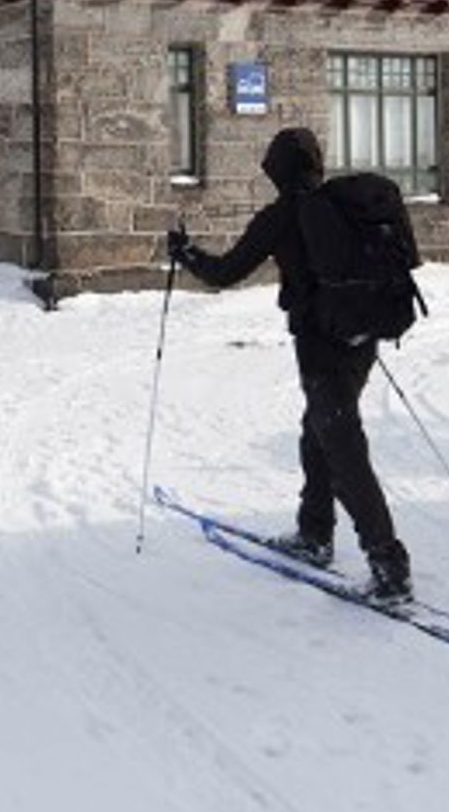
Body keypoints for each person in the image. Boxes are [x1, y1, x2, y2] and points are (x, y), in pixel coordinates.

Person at [165, 127, 413, 604]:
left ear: (276, 170)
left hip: (321, 347)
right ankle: (314, 533)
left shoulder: (283, 216)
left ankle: (389, 565)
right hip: (361, 340)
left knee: (343, 450)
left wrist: (185, 253)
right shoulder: (343, 204)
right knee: (318, 432)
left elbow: (224, 273)